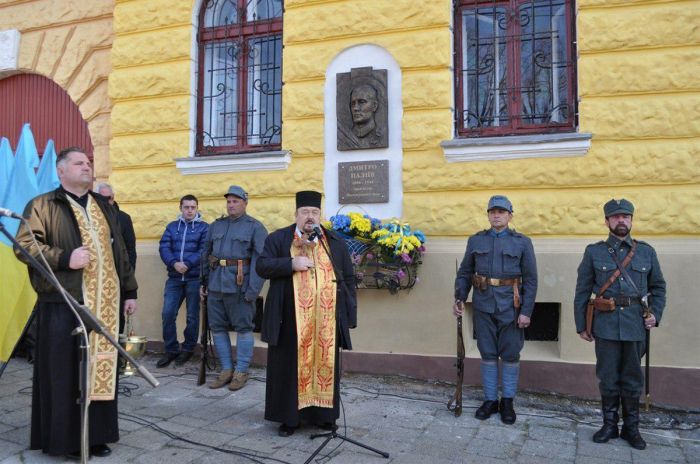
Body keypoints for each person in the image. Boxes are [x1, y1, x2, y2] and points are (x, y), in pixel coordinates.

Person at [14, 147, 138, 458]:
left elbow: (118, 249)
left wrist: (130, 290)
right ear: (61, 171)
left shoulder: (102, 205)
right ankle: (65, 439)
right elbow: (25, 246)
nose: (87, 167)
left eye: (89, 163)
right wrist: (65, 258)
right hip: (64, 302)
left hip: (106, 304)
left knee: (101, 368)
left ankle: (96, 435)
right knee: (66, 371)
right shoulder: (43, 204)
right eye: (79, 163)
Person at [257, 190, 357, 437]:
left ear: (320, 215)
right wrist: (290, 264)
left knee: (324, 366)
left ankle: (324, 417)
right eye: (305, 213)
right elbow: (261, 266)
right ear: (296, 215)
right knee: (290, 369)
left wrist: (349, 315)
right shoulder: (279, 239)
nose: (309, 217)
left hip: (326, 322)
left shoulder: (333, 242)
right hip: (289, 321)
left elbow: (348, 278)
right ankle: (290, 419)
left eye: (314, 212)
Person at [574, 199, 666, 450]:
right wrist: (582, 325)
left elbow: (658, 287)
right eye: (615, 217)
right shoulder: (594, 252)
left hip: (636, 324)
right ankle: (609, 425)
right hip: (605, 324)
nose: (621, 220)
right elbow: (582, 291)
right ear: (607, 221)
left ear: (632, 220)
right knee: (607, 377)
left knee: (633, 378)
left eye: (626, 216)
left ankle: (632, 429)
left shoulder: (646, 251)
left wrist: (655, 314)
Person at [453, 195, 537, 424]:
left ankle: (507, 401)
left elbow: (530, 280)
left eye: (501, 212)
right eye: (493, 212)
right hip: (483, 304)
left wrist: (526, 312)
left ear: (510, 215)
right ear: (488, 214)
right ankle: (490, 400)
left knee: (510, 354)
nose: (496, 215)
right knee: (487, 353)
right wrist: (459, 297)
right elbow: (465, 272)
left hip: (511, 306)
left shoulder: (522, 242)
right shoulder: (475, 241)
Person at [200, 186, 267, 390]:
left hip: (240, 287)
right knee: (218, 328)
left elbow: (261, 260)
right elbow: (206, 255)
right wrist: (203, 284)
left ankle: (241, 371)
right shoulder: (216, 226)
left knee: (243, 328)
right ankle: (226, 370)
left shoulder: (255, 227)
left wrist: (252, 289)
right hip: (215, 285)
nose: (231, 205)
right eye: (229, 201)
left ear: (245, 203)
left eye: (236, 201)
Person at [156, 194, 209, 368]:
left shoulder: (204, 228)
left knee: (192, 317)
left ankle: (188, 349)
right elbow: (164, 247)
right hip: (174, 278)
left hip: (194, 279)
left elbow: (204, 250)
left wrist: (187, 264)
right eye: (186, 207)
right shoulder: (172, 227)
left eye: (193, 207)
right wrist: (174, 263)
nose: (189, 210)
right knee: (168, 314)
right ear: (181, 208)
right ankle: (171, 350)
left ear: (197, 208)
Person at [94, 182, 136, 271]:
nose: (108, 202)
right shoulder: (91, 218)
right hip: (97, 270)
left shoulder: (124, 218)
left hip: (119, 270)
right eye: (104, 199)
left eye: (110, 198)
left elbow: (131, 248)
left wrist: (130, 272)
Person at [337, 83, 385, 150]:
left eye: (362, 102)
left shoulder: (381, 136)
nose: (355, 108)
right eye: (353, 103)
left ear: (374, 106)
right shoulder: (343, 138)